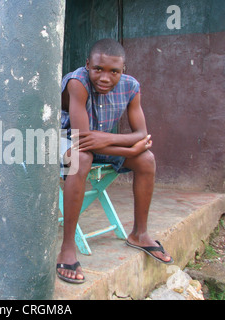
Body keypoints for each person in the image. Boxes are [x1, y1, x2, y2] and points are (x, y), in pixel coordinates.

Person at [57, 38, 173, 284]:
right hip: (67, 142)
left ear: (123, 70)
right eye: (98, 69)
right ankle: (67, 246)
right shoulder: (77, 82)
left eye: (114, 71)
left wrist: (106, 138)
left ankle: (140, 234)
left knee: (147, 159)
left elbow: (141, 133)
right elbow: (81, 140)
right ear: (88, 65)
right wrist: (128, 150)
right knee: (82, 157)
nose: (105, 77)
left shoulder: (131, 87)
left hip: (102, 143)